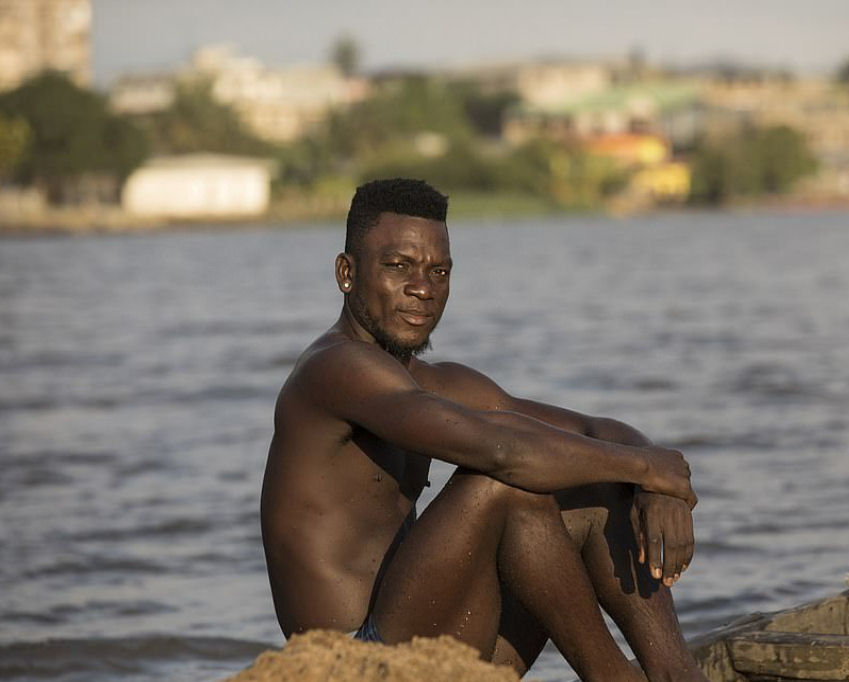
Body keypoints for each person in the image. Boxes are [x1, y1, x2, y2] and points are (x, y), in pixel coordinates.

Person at [261, 178, 708, 682]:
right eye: (398, 266)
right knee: (501, 482)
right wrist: (652, 469)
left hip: (434, 643)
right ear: (347, 273)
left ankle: (678, 674)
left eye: (439, 271)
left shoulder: (430, 382)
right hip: (356, 664)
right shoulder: (335, 369)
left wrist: (655, 479)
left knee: (593, 483)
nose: (423, 289)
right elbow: (501, 452)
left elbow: (591, 430)